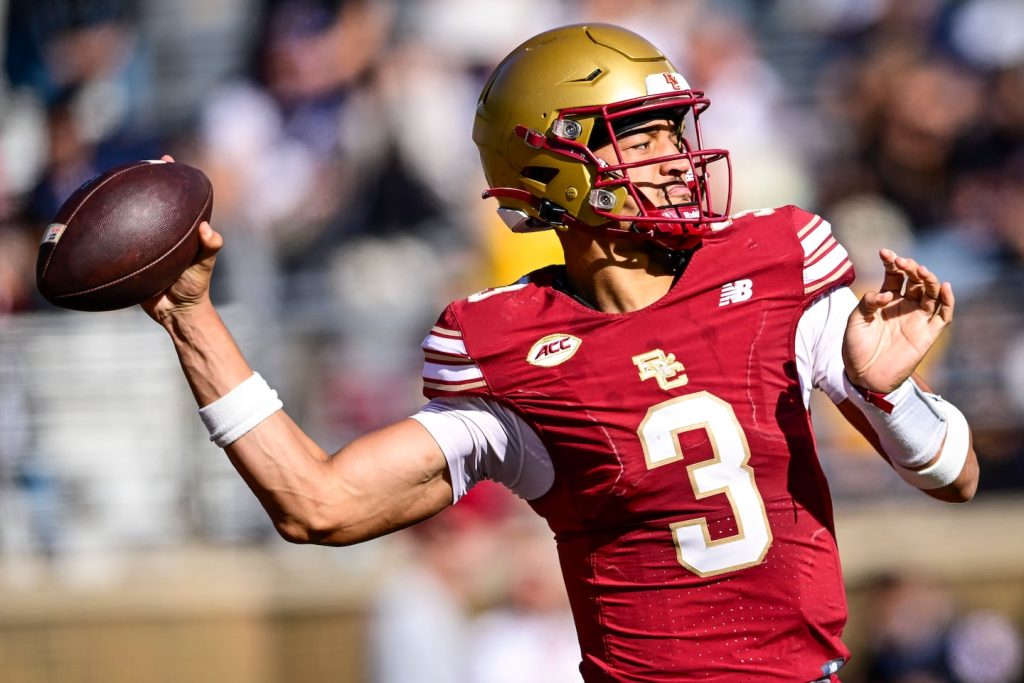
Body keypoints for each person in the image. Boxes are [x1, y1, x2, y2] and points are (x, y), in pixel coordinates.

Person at [144, 24, 979, 683]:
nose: (675, 157)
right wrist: (192, 318)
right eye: (639, 138)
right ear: (551, 166)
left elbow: (955, 476)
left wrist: (891, 396)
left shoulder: (773, 264)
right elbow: (318, 504)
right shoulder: (512, 350)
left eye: (674, 129)